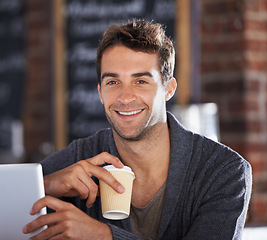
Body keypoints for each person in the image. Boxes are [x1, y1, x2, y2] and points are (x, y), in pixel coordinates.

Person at [23, 19, 252, 240]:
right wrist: (45, 185)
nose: (125, 97)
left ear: (168, 89)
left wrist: (103, 235)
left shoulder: (224, 171)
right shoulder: (80, 157)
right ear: (100, 92)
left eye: (140, 81)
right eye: (113, 82)